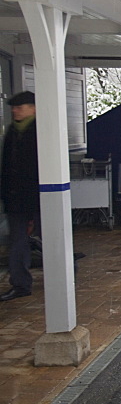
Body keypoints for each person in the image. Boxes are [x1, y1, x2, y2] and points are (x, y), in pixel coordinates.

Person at [1, 91, 39, 301]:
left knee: (53, 239)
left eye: (20, 107)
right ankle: (20, 284)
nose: (15, 111)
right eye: (14, 108)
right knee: (17, 242)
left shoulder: (41, 131)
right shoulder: (12, 133)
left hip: (39, 197)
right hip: (15, 200)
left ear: (33, 108)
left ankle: (66, 272)